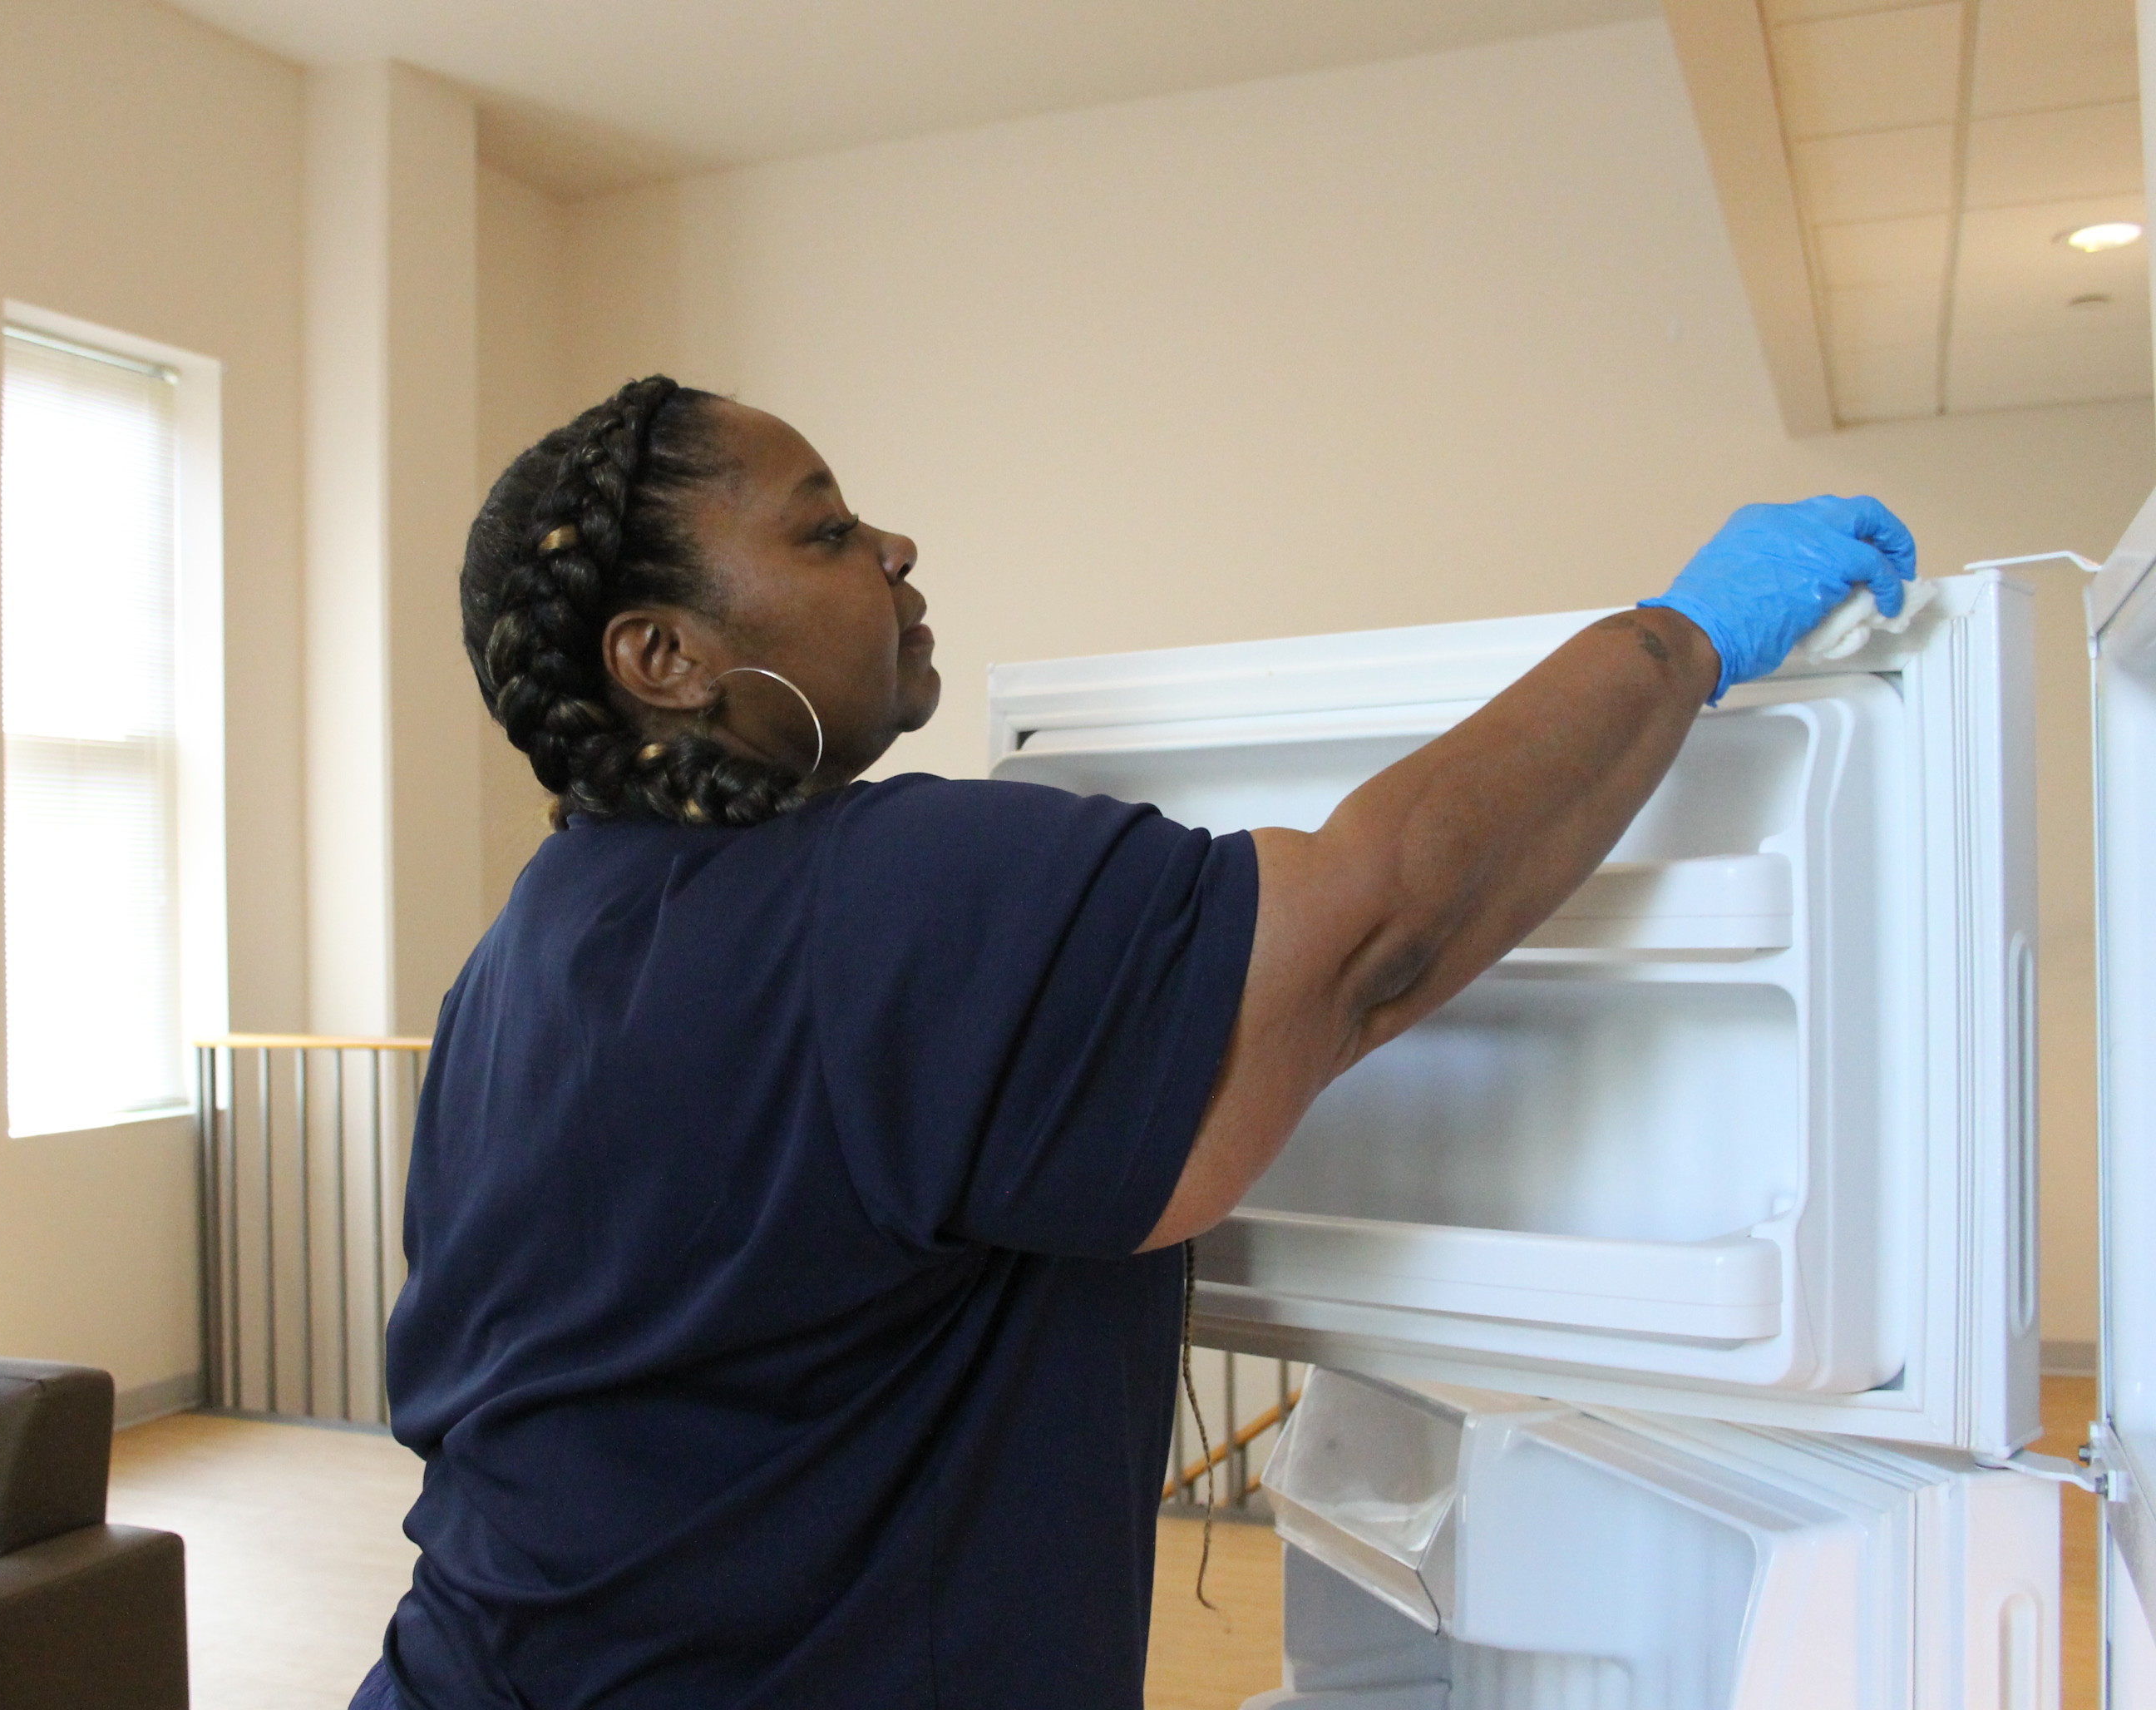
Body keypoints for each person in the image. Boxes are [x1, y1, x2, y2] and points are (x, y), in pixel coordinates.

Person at [350, 375, 1917, 1710]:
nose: (894, 548)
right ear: (665, 659)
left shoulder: (523, 953)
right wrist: (1674, 645)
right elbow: (1378, 930)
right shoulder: (891, 891)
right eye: (824, 533)